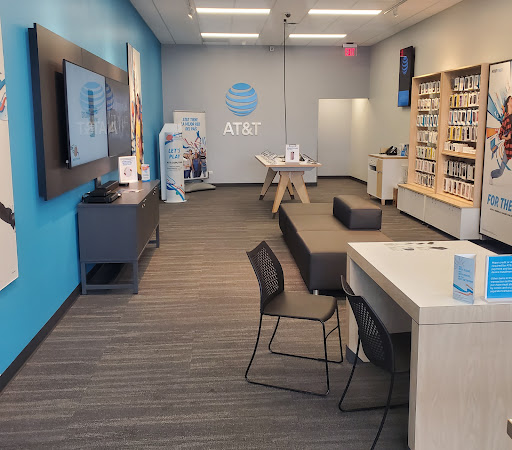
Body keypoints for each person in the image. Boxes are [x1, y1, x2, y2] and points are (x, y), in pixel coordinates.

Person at [491, 96, 512, 182]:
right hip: (508, 148)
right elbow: (500, 135)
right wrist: (507, 137)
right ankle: (491, 175)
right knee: (500, 172)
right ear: (508, 103)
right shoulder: (506, 119)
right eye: (511, 99)